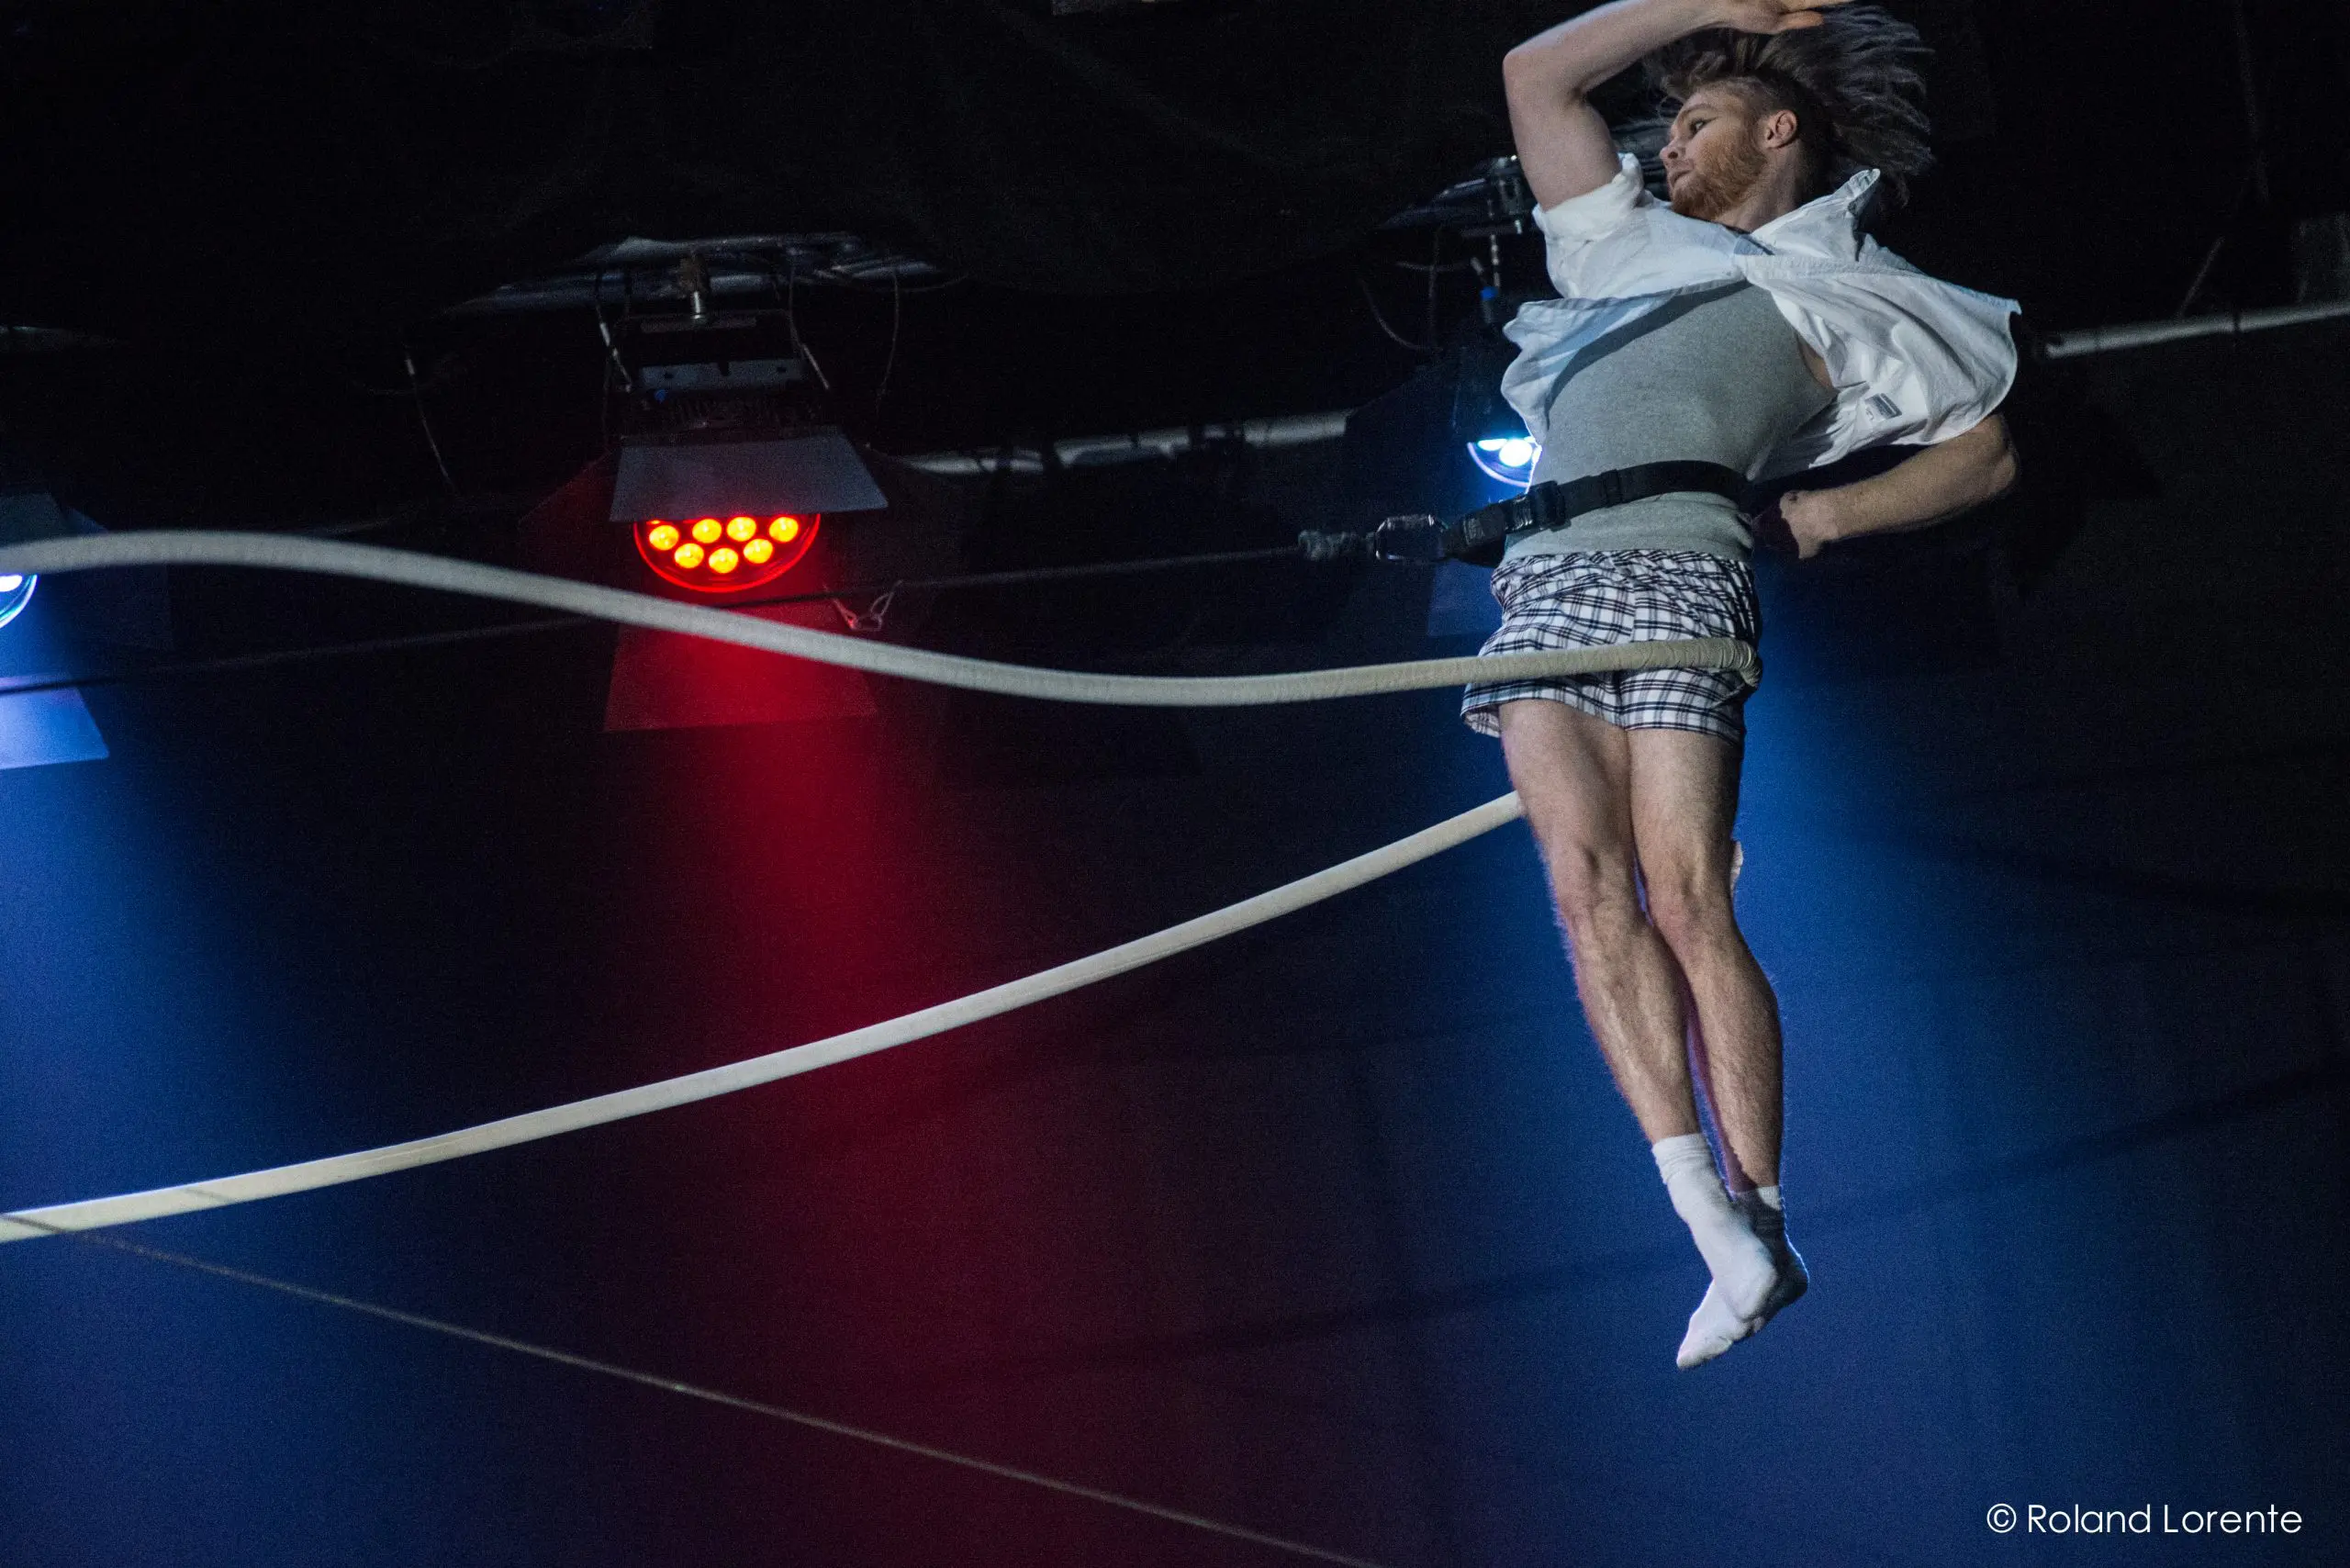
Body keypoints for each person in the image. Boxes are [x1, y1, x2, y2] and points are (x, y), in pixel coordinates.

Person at [1462, 0, 2020, 1367]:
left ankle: (1765, 1212)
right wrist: (1710, 1)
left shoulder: (1859, 292)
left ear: (1781, 129)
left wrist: (1825, 521)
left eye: (1697, 120)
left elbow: (1988, 457)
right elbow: (1534, 73)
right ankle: (1709, 1224)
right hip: (1542, 582)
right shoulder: (1617, 242)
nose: (1667, 146)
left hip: (1680, 571)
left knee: (1683, 891)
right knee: (1581, 895)